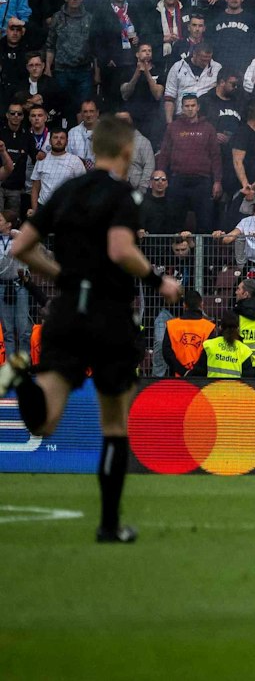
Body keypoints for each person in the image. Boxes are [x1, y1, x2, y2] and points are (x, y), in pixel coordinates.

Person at [0, 115, 183, 543]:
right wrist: (159, 281)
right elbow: (121, 248)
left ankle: (19, 376)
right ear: (125, 152)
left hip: (66, 312)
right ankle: (108, 525)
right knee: (114, 425)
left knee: (44, 423)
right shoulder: (123, 195)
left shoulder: (66, 190)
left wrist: (61, 274)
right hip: (110, 314)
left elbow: (22, 246)